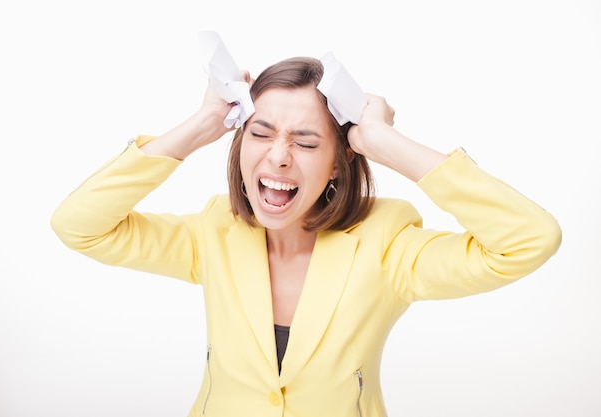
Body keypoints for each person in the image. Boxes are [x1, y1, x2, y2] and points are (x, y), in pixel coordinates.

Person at [51, 56, 562, 417]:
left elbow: (528, 240)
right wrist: (198, 126)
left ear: (339, 164)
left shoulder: (386, 244)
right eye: (261, 132)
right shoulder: (214, 233)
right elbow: (79, 224)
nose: (278, 157)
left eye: (307, 141)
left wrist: (385, 143)